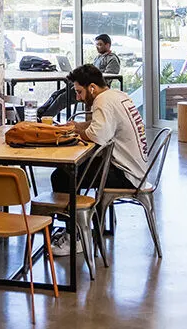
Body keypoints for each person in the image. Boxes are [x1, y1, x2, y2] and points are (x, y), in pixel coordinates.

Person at [49, 64, 148, 255]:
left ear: (92, 87)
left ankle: (74, 237)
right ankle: (81, 227)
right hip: (137, 168)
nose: (77, 97)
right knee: (72, 172)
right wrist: (78, 126)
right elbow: (100, 126)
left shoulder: (102, 101)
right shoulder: (116, 95)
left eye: (79, 91)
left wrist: (76, 131)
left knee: (62, 177)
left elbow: (98, 136)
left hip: (126, 175)